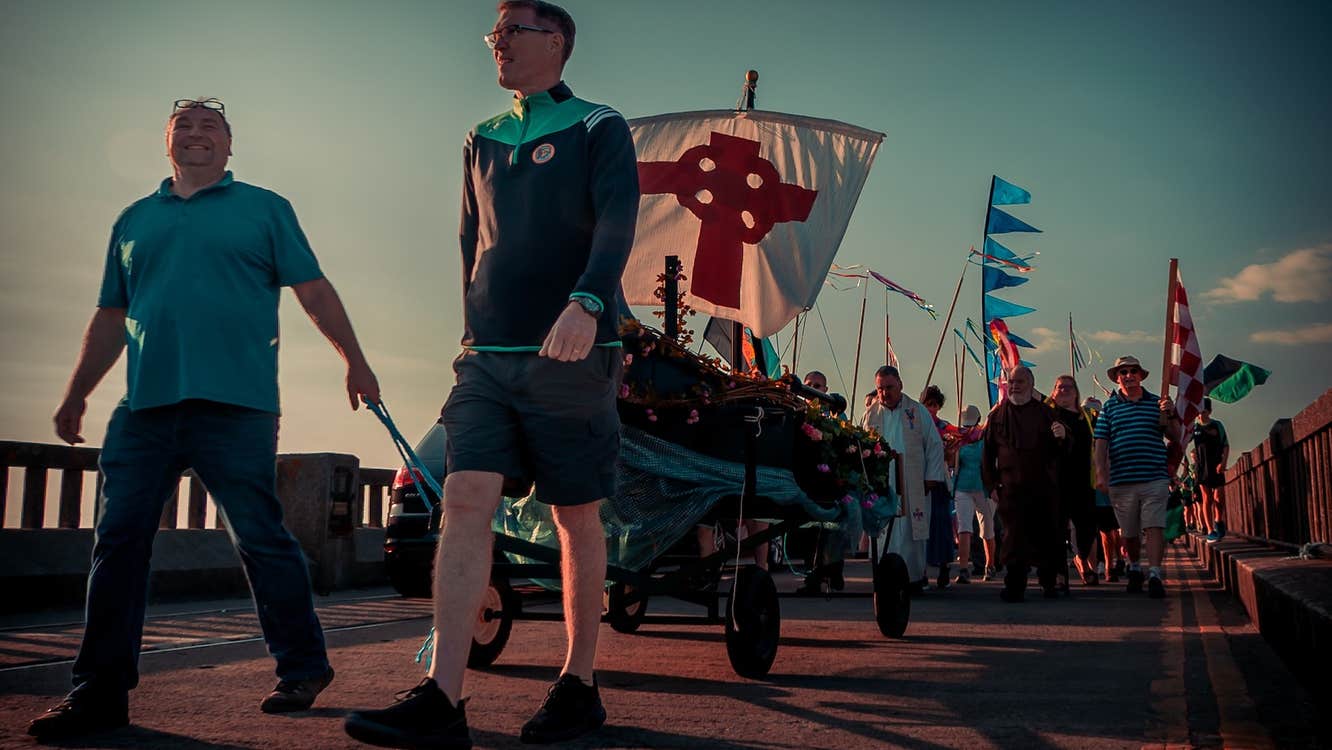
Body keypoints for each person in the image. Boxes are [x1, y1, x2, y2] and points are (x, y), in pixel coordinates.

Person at [28, 99, 380, 740]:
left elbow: (314, 290)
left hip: (238, 406)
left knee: (260, 538)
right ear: (167, 142)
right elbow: (112, 316)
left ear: (228, 146)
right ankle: (98, 693)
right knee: (118, 543)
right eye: (183, 126)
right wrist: (77, 393)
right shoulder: (133, 220)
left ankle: (302, 666)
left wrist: (354, 362)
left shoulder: (265, 208)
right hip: (143, 409)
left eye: (209, 126)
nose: (196, 134)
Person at [344, 2, 639, 747]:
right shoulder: (482, 136)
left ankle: (579, 683)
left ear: (558, 42)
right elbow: (470, 242)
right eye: (494, 33)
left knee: (576, 517)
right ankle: (444, 698)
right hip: (485, 360)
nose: (499, 42)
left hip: (572, 351)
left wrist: (586, 304)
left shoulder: (599, 126)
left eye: (515, 31)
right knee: (467, 499)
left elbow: (616, 220)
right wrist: (469, 332)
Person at [1094, 355, 1179, 600]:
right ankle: (1134, 566)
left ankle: (1154, 573)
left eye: (1133, 371)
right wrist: (1101, 473)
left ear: (1141, 375)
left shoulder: (1156, 403)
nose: (1128, 375)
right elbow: (1101, 442)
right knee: (1129, 532)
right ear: (1117, 377)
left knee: (1154, 526)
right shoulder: (1110, 407)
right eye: (1123, 372)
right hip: (1122, 479)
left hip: (1154, 476)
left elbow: (1174, 436)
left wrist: (1170, 414)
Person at [981, 366, 1068, 602]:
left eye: (1020, 381)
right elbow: (987, 455)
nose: (1015, 385)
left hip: (1042, 488)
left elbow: (1059, 452)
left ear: (1030, 384)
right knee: (1013, 539)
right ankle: (1015, 585)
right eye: (1011, 382)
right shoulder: (997, 416)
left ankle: (1049, 583)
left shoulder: (1045, 413)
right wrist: (990, 486)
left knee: (1046, 536)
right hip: (1010, 489)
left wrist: (1061, 438)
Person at [860, 366, 948, 593]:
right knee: (883, 532)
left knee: (910, 532)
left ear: (900, 385)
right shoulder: (871, 414)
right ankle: (885, 580)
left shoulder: (917, 412)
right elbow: (860, 446)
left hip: (912, 483)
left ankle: (914, 578)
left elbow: (935, 446)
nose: (884, 393)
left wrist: (931, 478)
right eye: (880, 388)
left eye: (889, 387)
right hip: (882, 483)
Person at [1048, 375, 1099, 588]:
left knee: (1087, 528)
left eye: (1069, 387)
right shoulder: (1047, 415)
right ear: (1053, 391)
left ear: (1076, 391)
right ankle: (1060, 574)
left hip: (1082, 480)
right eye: (1060, 387)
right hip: (1056, 480)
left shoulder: (1086, 417)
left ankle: (1081, 558)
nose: (1064, 390)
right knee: (1058, 529)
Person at [951, 405, 997, 583]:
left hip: (982, 489)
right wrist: (951, 449)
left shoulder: (985, 439)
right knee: (964, 528)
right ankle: (963, 569)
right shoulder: (958, 439)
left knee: (987, 530)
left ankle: (990, 564)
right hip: (963, 487)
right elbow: (951, 461)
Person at [920, 385, 957, 590]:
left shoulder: (945, 427)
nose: (931, 408)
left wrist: (948, 450)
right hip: (922, 481)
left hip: (940, 482)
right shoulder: (916, 425)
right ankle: (921, 571)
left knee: (942, 526)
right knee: (921, 526)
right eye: (928, 404)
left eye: (934, 405)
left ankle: (944, 567)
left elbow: (951, 460)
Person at [1192, 397, 1230, 542]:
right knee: (1207, 498)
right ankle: (1210, 530)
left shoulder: (1217, 425)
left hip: (1216, 465)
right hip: (1202, 467)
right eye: (1199, 412)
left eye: (1204, 411)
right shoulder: (1194, 428)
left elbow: (1225, 445)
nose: (1201, 415)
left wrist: (1223, 463)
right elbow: (1183, 438)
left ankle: (1219, 520)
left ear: (1209, 411)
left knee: (1218, 498)